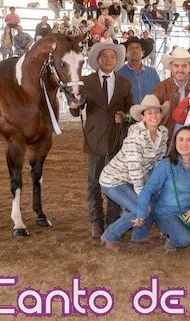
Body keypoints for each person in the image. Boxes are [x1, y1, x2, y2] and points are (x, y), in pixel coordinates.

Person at [69, 42, 133, 239]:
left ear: (117, 60)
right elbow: (77, 109)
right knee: (94, 181)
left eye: (112, 57)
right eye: (104, 56)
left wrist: (125, 117)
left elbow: (131, 111)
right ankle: (96, 221)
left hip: (117, 138)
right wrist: (74, 105)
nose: (108, 60)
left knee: (116, 180)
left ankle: (113, 219)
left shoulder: (124, 83)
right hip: (94, 137)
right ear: (98, 59)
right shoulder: (86, 82)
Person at [134, 127, 190, 255]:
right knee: (184, 240)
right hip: (168, 213)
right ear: (175, 142)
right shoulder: (165, 165)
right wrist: (140, 214)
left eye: (189, 140)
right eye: (180, 139)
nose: (184, 144)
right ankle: (171, 235)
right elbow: (148, 189)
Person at [99, 95, 170, 251]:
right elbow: (135, 171)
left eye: (157, 112)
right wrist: (143, 198)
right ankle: (109, 235)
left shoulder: (163, 133)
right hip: (114, 180)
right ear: (142, 117)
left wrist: (156, 184)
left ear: (161, 114)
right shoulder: (135, 138)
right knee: (140, 209)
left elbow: (158, 161)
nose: (154, 116)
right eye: (149, 113)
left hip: (133, 178)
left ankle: (140, 236)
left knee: (155, 197)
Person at [152, 47, 190, 135]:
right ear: (171, 67)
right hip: (167, 139)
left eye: (184, 66)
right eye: (176, 66)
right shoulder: (160, 89)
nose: (180, 70)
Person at [117, 36, 159, 104]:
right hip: (128, 111)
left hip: (150, 110)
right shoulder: (119, 75)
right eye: (131, 48)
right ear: (125, 53)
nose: (134, 50)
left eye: (137, 48)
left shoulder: (152, 73)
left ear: (143, 52)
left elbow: (159, 95)